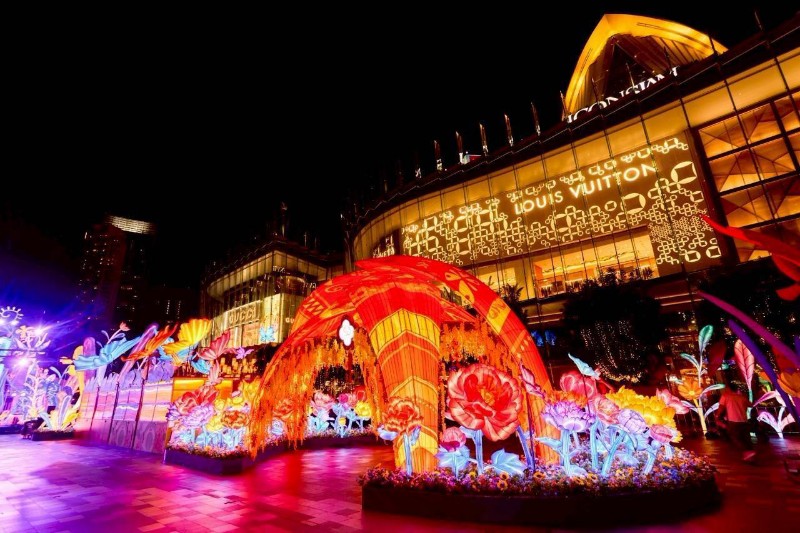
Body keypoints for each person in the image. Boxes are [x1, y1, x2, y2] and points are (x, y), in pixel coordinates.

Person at [718, 383, 756, 462]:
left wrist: (717, 416)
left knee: (736, 437)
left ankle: (748, 452)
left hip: (733, 421)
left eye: (726, 388)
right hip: (744, 420)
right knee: (746, 438)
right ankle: (749, 455)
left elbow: (721, 407)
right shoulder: (741, 397)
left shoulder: (725, 396)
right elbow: (750, 405)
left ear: (729, 389)